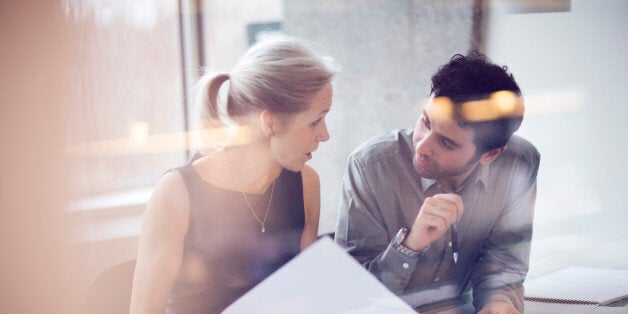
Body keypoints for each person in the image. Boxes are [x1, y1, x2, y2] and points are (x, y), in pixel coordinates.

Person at [130, 36, 338, 314]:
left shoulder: (306, 182)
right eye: (315, 121)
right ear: (270, 122)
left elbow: (309, 296)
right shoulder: (177, 191)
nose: (325, 135)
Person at [335, 51, 540, 313]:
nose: (422, 146)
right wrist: (409, 246)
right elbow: (352, 293)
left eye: (446, 142)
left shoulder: (518, 163)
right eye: (425, 122)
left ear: (490, 154)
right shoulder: (370, 167)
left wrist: (499, 301)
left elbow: (504, 257)